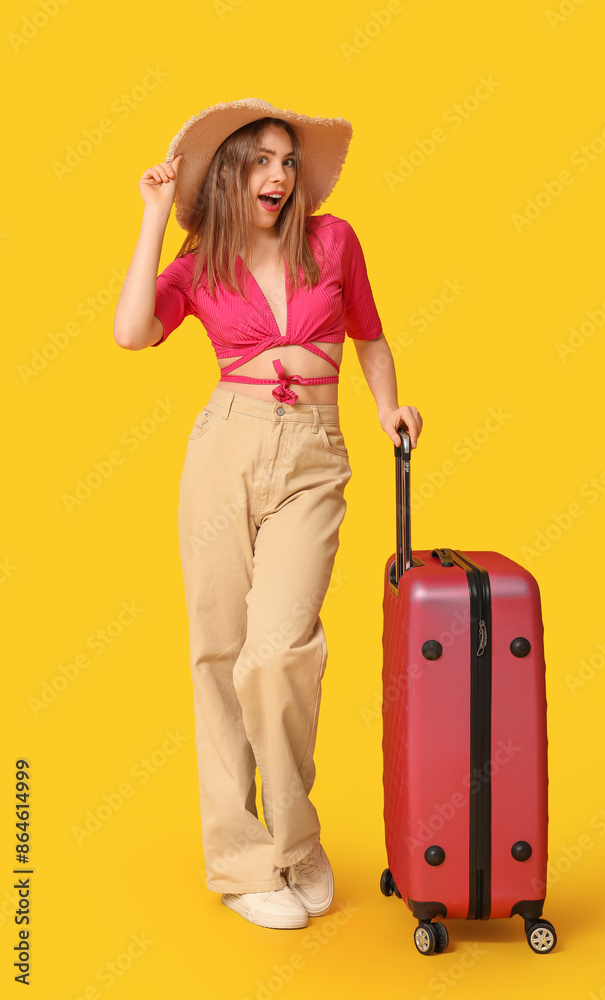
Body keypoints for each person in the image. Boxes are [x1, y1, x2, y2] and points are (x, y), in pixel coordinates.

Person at [113, 98, 423, 930]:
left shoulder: (334, 241)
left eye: (287, 160)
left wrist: (389, 406)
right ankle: (243, 865)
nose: (280, 176)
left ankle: (295, 838)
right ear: (228, 176)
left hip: (313, 453)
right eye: (261, 161)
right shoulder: (199, 260)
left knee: (278, 651)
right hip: (224, 449)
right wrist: (151, 217)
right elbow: (130, 331)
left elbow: (370, 337)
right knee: (218, 655)